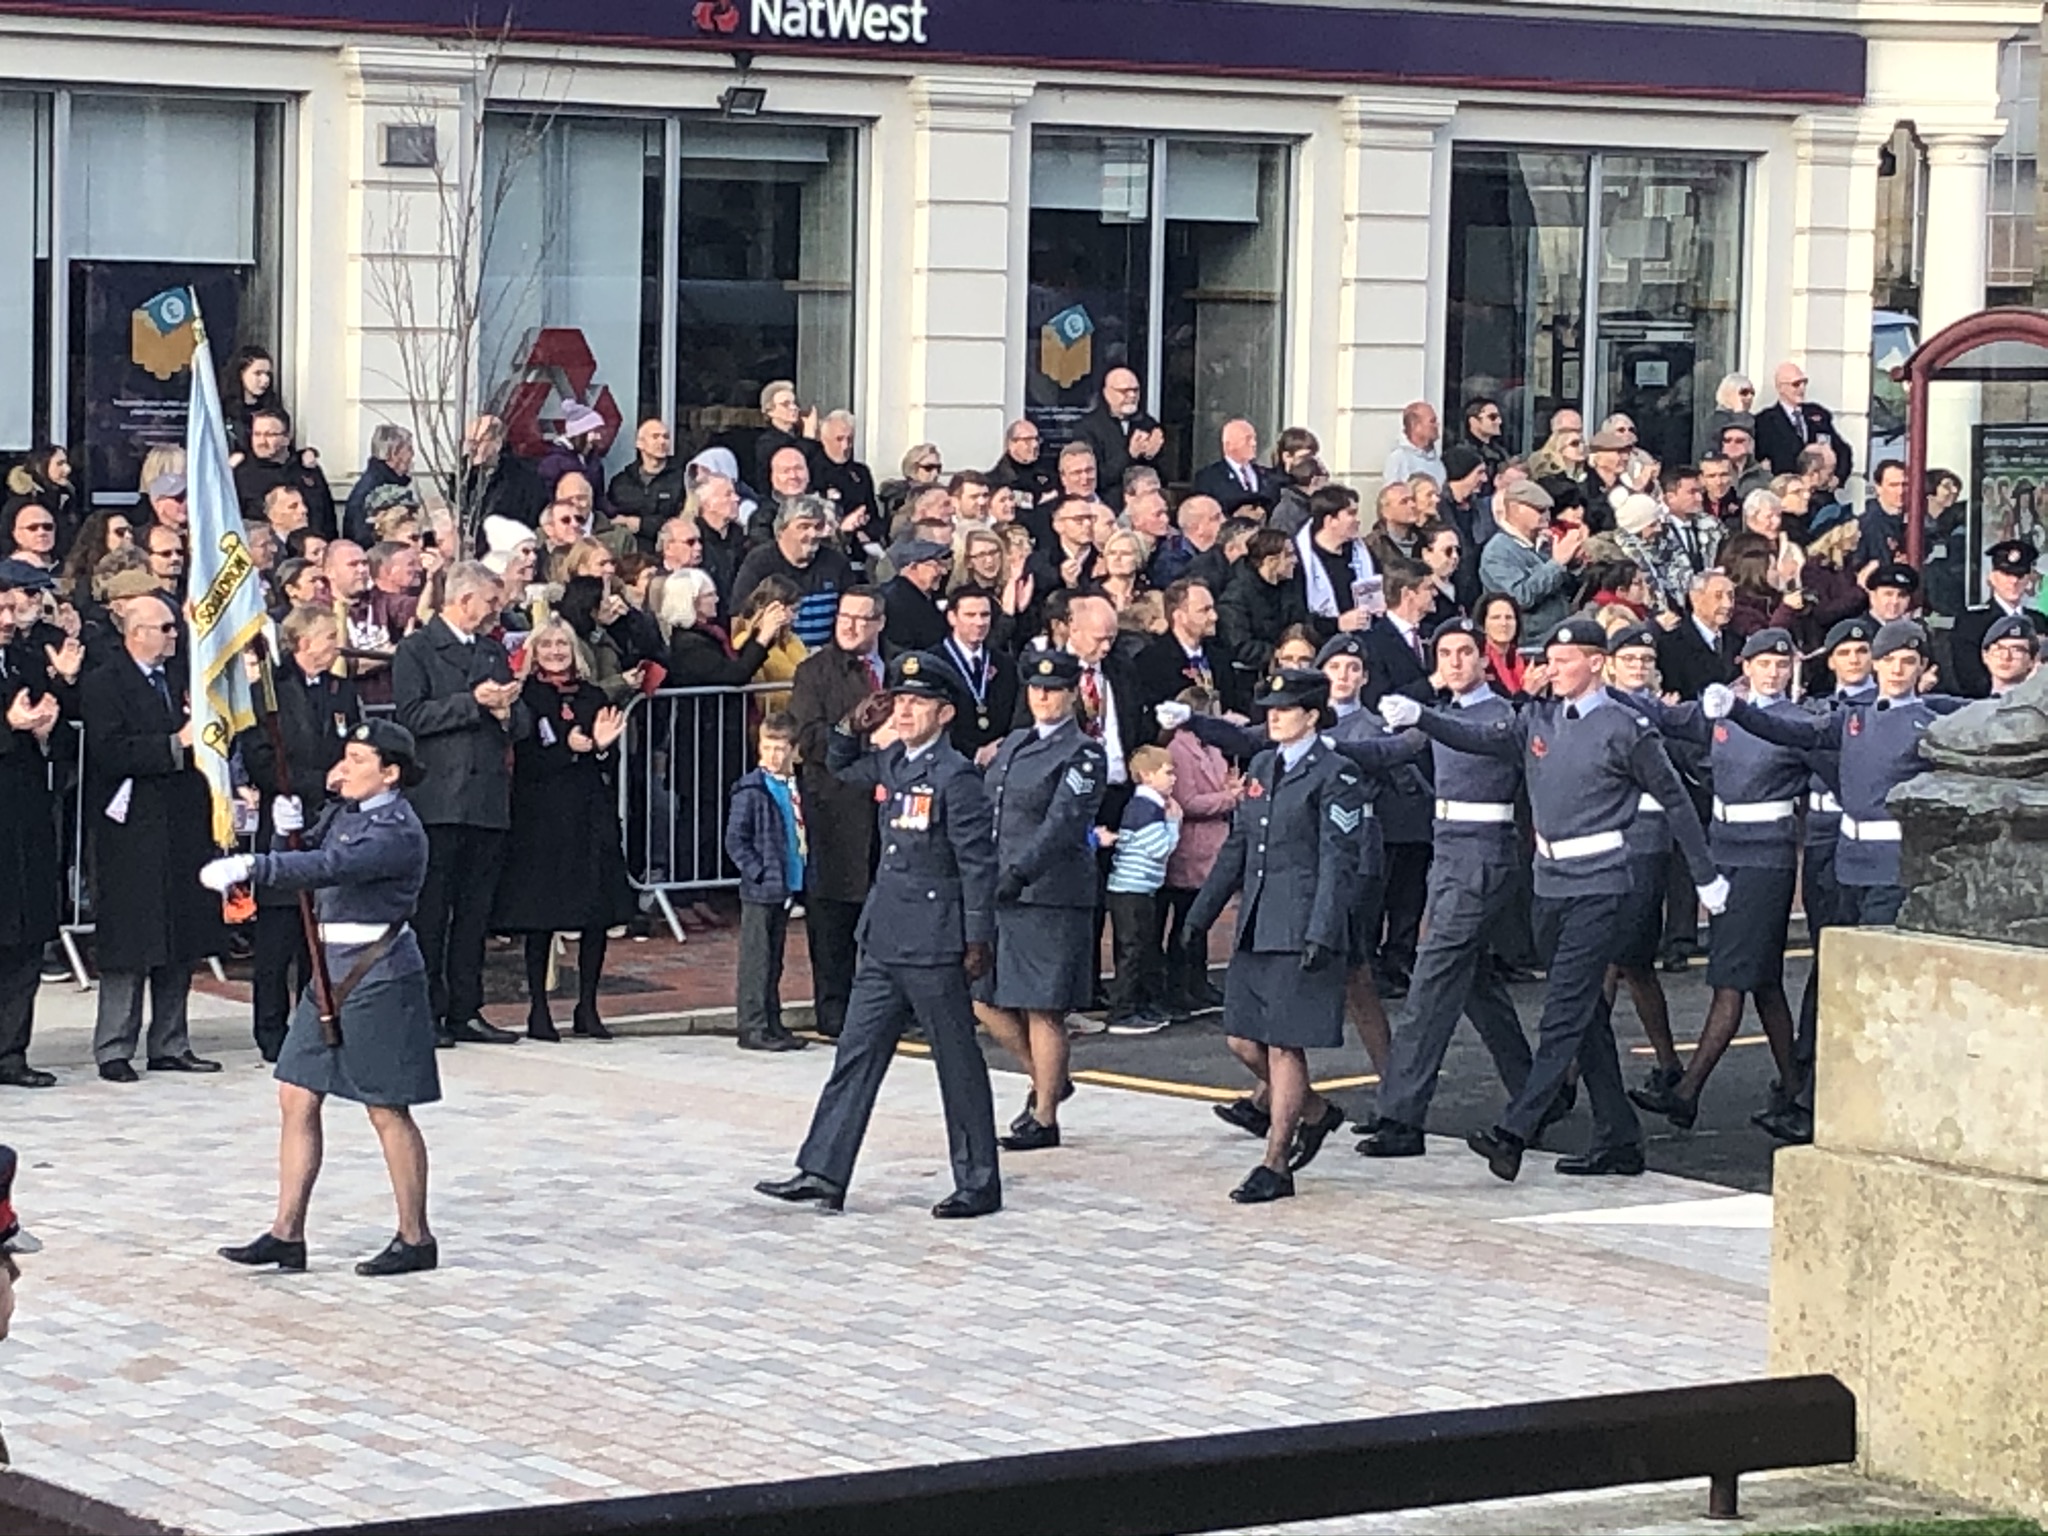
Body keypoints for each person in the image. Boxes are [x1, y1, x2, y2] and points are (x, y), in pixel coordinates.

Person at [1379, 617, 1725, 1182]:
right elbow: (1483, 737)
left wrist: (1707, 877)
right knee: (1585, 1016)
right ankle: (1618, 1137)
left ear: (1596, 662)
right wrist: (1426, 718)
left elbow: (1676, 799)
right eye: (1550, 661)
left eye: (1565, 661)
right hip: (1549, 881)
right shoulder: (1538, 717)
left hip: (1601, 883)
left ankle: (1515, 1129)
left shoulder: (1624, 726)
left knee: (1563, 1011)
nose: (1552, 669)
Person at [756, 652, 1001, 1217]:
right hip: (886, 934)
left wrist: (977, 936)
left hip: (936, 940)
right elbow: (842, 762)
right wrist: (851, 723)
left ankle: (978, 1179)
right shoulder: (896, 761)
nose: (905, 710)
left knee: (956, 1063)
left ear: (944, 712)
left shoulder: (955, 777)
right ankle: (823, 1170)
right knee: (855, 1055)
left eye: (918, 702)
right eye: (900, 700)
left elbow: (977, 864)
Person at [208, 720, 442, 1278]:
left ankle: (415, 1236)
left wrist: (255, 866)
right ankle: (287, 1232)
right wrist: (282, 833)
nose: (346, 766)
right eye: (347, 755)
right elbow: (311, 848)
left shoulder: (397, 829)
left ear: (390, 773)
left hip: (376, 972)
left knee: (385, 1106)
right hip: (327, 971)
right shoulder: (346, 813)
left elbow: (330, 867)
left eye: (360, 759)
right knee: (296, 1093)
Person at [1356, 616, 1537, 1157]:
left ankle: (1401, 1116)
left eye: (1465, 653)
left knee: (1430, 984)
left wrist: (1426, 719)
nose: (1455, 662)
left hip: (1483, 855)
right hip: (1451, 855)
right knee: (1475, 985)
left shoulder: (1499, 713)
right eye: (1446, 654)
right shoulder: (1448, 714)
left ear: (1484, 660)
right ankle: (1536, 1092)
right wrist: (1326, 746)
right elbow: (1393, 752)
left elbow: (1476, 740)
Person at [1182, 670, 1366, 1203]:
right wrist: (1202, 913)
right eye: (1270, 707)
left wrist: (1324, 929)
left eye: (1286, 708)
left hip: (1301, 922)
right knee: (1241, 1037)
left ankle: (1276, 1161)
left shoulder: (1337, 773)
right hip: (1258, 921)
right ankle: (1312, 1111)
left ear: (1311, 714)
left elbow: (1338, 859)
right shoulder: (1263, 764)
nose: (1274, 715)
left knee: (1286, 1045)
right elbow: (1240, 845)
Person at [1628, 629, 1810, 1131]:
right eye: (1763, 663)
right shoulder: (1722, 710)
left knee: (1730, 980)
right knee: (1765, 982)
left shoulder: (1798, 720)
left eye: (1781, 663)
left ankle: (1688, 1091)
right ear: (1744, 665)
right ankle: (1796, 1092)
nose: (1773, 672)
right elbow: (1668, 718)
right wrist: (1612, 689)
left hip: (1766, 858)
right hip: (1725, 847)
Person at [81, 590, 226, 1082]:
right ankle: (114, 1046)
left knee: (180, 934)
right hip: (132, 826)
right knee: (130, 939)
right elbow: (109, 750)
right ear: (137, 632)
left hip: (182, 821)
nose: (172, 635)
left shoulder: (181, 678)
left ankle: (170, 1041)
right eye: (164, 628)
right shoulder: (106, 682)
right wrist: (174, 745)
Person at [393, 562, 529, 1049]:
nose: (497, 611)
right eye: (490, 602)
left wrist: (508, 708)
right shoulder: (417, 649)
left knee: (475, 914)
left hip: (487, 798)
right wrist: (473, 703)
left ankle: (467, 1008)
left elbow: (524, 723)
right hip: (438, 799)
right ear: (463, 599)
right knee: (432, 912)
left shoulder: (493, 651)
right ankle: (426, 1008)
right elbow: (410, 716)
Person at [979, 649, 1106, 1148]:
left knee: (1041, 1007)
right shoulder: (1014, 743)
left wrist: (1021, 871)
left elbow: (1063, 823)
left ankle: (1046, 1115)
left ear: (1072, 693)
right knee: (983, 998)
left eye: (1053, 689)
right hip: (1002, 887)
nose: (1044, 697)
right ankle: (1048, 1079)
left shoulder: (1083, 752)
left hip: (1050, 892)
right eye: (1036, 688)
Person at [490, 620, 632, 1042]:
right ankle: (538, 1007)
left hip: (589, 810)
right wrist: (566, 751)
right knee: (542, 914)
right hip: (543, 815)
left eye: (563, 644)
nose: (555, 651)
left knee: (596, 910)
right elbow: (527, 756)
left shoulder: (591, 695)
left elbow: (608, 759)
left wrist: (603, 748)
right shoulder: (528, 696)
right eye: (547, 644)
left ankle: (587, 1005)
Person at [236, 605, 363, 1063]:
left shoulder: (339, 689)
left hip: (330, 824)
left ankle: (318, 1020)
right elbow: (261, 756)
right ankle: (270, 1030)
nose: (335, 645)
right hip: (286, 822)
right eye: (328, 636)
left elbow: (354, 743)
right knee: (278, 937)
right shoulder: (269, 690)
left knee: (320, 937)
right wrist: (315, 781)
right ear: (302, 641)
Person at [787, 588, 887, 1039]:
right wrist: (863, 739)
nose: (850, 626)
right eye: (844, 617)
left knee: (888, 910)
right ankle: (834, 1009)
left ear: (879, 624)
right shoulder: (815, 672)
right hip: (836, 801)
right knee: (833, 914)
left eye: (861, 619)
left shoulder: (898, 667)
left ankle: (888, 1006)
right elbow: (808, 736)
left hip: (891, 805)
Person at [0, 564, 66, 1089]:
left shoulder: (22, 659)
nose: (7, 619)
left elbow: (51, 720)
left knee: (23, 938)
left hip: (25, 813)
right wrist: (8, 726)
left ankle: (12, 1051)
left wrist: (44, 727)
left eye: (9, 608)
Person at [725, 712, 810, 1053]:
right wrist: (756, 870)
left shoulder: (794, 786)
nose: (773, 755)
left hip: (786, 882)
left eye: (780, 748)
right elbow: (735, 840)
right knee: (756, 958)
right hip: (762, 886)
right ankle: (753, 1023)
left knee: (775, 959)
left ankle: (773, 1021)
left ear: (793, 750)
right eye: (767, 747)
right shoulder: (752, 790)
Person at [1100, 742, 1181, 1035]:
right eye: (1168, 772)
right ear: (1147, 775)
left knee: (1141, 947)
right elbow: (1159, 849)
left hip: (1137, 888)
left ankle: (1140, 1003)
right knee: (1133, 949)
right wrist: (1174, 824)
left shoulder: (1147, 806)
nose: (1174, 778)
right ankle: (1123, 1011)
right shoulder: (1146, 808)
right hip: (1131, 890)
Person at [732, 495, 854, 651]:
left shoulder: (837, 562)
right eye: (804, 526)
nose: (813, 534)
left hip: (825, 659)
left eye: (818, 527)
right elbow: (738, 618)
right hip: (777, 661)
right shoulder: (758, 563)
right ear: (781, 530)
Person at [1478, 480, 1583, 641]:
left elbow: (1565, 591)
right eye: (1540, 510)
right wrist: (1557, 564)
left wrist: (1574, 563)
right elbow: (1520, 597)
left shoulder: (1544, 544)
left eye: (1548, 510)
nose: (1546, 516)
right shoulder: (1498, 551)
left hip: (1557, 635)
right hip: (1528, 643)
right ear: (1515, 509)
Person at [1951, 539, 2048, 698]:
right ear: (1993, 577)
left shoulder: (2039, 621)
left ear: (2029, 579)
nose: (2014, 581)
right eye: (2006, 574)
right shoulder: (1972, 621)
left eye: (2020, 575)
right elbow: (1968, 675)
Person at [938, 584, 1016, 763]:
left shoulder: (1004, 663)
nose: (979, 622)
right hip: (950, 762)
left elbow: (1016, 713)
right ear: (952, 617)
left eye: (985, 615)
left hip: (999, 761)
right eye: (970, 615)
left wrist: (1002, 748)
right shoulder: (935, 662)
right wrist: (974, 753)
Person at [1073, 368, 1163, 511]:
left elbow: (1165, 475)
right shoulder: (1088, 428)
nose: (1132, 395)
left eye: (1135, 390)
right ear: (1107, 393)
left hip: (1144, 508)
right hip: (1107, 507)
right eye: (1124, 391)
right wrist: (1129, 455)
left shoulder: (1147, 423)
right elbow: (1095, 478)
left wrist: (1152, 456)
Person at [1754, 361, 1850, 480]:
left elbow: (1842, 450)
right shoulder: (1765, 421)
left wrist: (1837, 478)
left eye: (1804, 383)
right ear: (1780, 388)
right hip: (1787, 491)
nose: (1802, 388)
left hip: (1819, 492)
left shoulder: (1818, 414)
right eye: (1796, 384)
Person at [608, 417, 684, 554]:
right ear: (640, 443)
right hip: (628, 555)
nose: (662, 442)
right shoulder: (621, 482)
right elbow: (612, 519)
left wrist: (641, 525)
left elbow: (683, 520)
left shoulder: (681, 479)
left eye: (666, 437)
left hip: (667, 553)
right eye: (655, 437)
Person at [340, 425, 414, 546]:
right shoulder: (372, 489)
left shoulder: (382, 482)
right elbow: (361, 536)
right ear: (394, 453)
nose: (412, 455)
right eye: (409, 449)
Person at [1192, 419, 1279, 516]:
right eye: (1247, 439)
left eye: (1254, 439)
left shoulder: (1265, 475)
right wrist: (1234, 517)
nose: (1254, 444)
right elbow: (1204, 514)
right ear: (1229, 445)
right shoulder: (1209, 478)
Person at [880, 536, 951, 652]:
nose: (943, 571)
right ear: (912, 567)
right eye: (935, 565)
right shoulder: (895, 602)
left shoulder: (926, 596)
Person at [1384, 401, 1445, 488]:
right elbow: (1392, 496)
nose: (1437, 425)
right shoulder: (1399, 458)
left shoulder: (1435, 459)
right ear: (1416, 426)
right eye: (1432, 421)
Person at [1983, 611, 2042, 695]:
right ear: (1985, 655)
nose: (2006, 657)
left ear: (2032, 660)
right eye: (1999, 649)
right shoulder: (1968, 705)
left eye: (2017, 650)